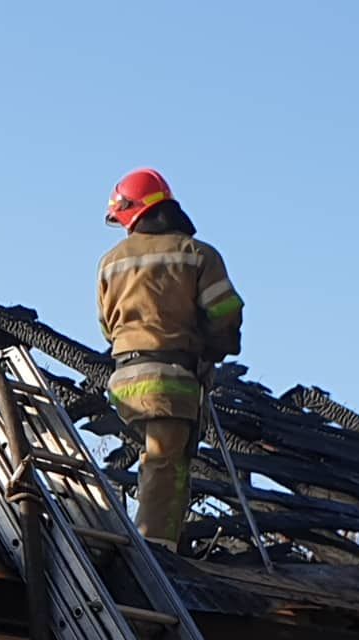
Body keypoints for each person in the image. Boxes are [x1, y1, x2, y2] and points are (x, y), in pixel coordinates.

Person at [97, 169, 245, 551]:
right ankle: (158, 551)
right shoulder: (197, 255)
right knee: (167, 466)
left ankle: (130, 532)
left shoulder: (110, 262)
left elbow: (106, 325)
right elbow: (225, 312)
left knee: (150, 460)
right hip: (172, 378)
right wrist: (213, 349)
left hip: (124, 379)